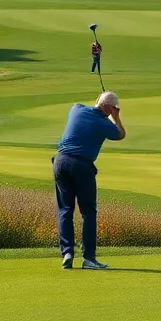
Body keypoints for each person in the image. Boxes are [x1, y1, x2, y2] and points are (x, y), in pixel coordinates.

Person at [53, 91, 126, 270]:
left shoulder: (76, 109)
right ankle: (89, 259)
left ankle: (67, 253)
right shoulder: (104, 124)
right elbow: (120, 134)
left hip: (60, 162)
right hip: (81, 166)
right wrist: (116, 117)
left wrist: (101, 102)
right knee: (88, 212)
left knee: (65, 209)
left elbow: (86, 107)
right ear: (109, 108)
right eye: (113, 108)